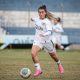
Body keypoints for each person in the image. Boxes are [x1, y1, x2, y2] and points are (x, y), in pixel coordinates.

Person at [31, 5, 64, 77]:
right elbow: (35, 19)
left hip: (47, 42)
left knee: (53, 56)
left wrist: (44, 34)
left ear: (45, 13)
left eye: (42, 12)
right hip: (38, 41)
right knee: (33, 54)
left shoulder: (47, 22)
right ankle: (38, 70)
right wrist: (32, 19)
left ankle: (59, 65)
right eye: (39, 12)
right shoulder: (37, 19)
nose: (41, 14)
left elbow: (49, 31)